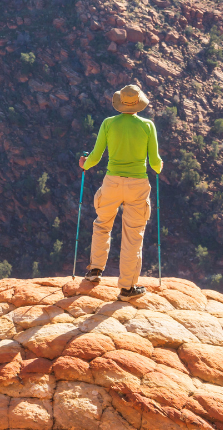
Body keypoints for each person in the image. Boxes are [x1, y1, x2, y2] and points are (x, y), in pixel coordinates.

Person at [77, 84, 163, 298]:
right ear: (138, 103)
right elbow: (155, 163)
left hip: (112, 182)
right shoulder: (148, 126)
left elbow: (95, 157)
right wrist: (160, 166)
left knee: (102, 224)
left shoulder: (108, 124)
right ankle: (127, 288)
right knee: (133, 235)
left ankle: (95, 270)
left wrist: (84, 164)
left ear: (120, 102)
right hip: (137, 186)